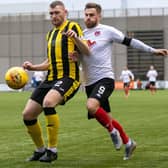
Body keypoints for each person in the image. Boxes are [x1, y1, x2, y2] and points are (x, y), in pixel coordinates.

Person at [75, 2, 168, 160]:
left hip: (105, 79)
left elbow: (131, 42)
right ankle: (128, 142)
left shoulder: (107, 31)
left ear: (99, 15)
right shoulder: (80, 35)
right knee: (106, 118)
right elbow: (79, 60)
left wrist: (153, 51)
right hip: (90, 83)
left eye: (92, 15)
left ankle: (113, 133)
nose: (88, 18)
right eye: (86, 15)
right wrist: (75, 58)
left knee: (91, 106)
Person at [22, 0, 90, 163]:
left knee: (48, 102)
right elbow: (50, 62)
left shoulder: (73, 27)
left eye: (57, 12)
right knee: (28, 114)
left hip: (68, 78)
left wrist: (77, 40)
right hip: (50, 79)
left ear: (65, 12)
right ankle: (40, 150)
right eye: (51, 13)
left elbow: (87, 51)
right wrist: (33, 67)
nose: (54, 16)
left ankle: (52, 150)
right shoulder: (50, 34)